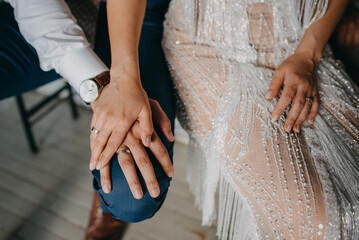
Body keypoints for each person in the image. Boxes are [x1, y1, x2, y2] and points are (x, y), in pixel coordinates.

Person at [162, 0, 359, 239]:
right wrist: (120, 76)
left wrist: (309, 52)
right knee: (312, 221)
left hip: (298, 39)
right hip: (208, 46)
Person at [0, 0, 175, 239]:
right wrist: (105, 90)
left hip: (138, 16)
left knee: (132, 196)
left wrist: (125, 81)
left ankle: (106, 212)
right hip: (57, 11)